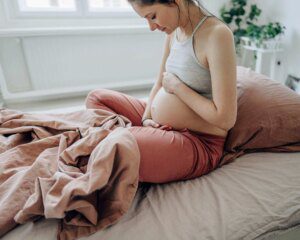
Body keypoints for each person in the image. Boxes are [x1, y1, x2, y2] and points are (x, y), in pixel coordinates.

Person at [85, 0, 237, 184]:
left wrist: (177, 88)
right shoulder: (174, 32)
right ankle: (134, 140)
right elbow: (159, 84)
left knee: (118, 143)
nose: (151, 27)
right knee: (97, 98)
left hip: (197, 141)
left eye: (153, 16)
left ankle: (124, 143)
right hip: (160, 125)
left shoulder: (217, 35)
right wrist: (146, 119)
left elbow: (225, 119)